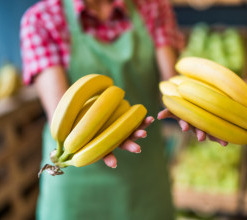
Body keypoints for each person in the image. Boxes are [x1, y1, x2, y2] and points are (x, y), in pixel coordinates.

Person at [20, 0, 227, 219]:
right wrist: (107, 137)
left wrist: (192, 110)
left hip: (144, 177)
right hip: (76, 181)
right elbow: (61, 115)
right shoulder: (41, 20)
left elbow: (171, 85)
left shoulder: (153, 7)